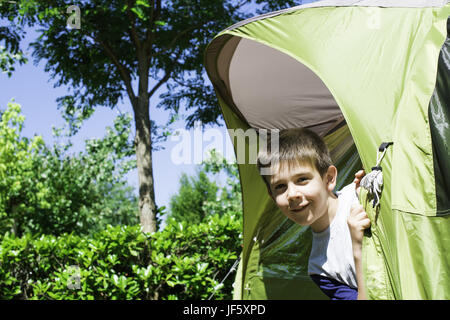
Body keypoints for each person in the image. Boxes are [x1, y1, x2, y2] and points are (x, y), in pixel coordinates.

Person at [257, 127, 370, 300]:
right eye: (280, 186)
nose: (292, 194)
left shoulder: (361, 196)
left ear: (329, 178)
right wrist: (358, 249)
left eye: (302, 179)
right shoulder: (319, 269)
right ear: (272, 197)